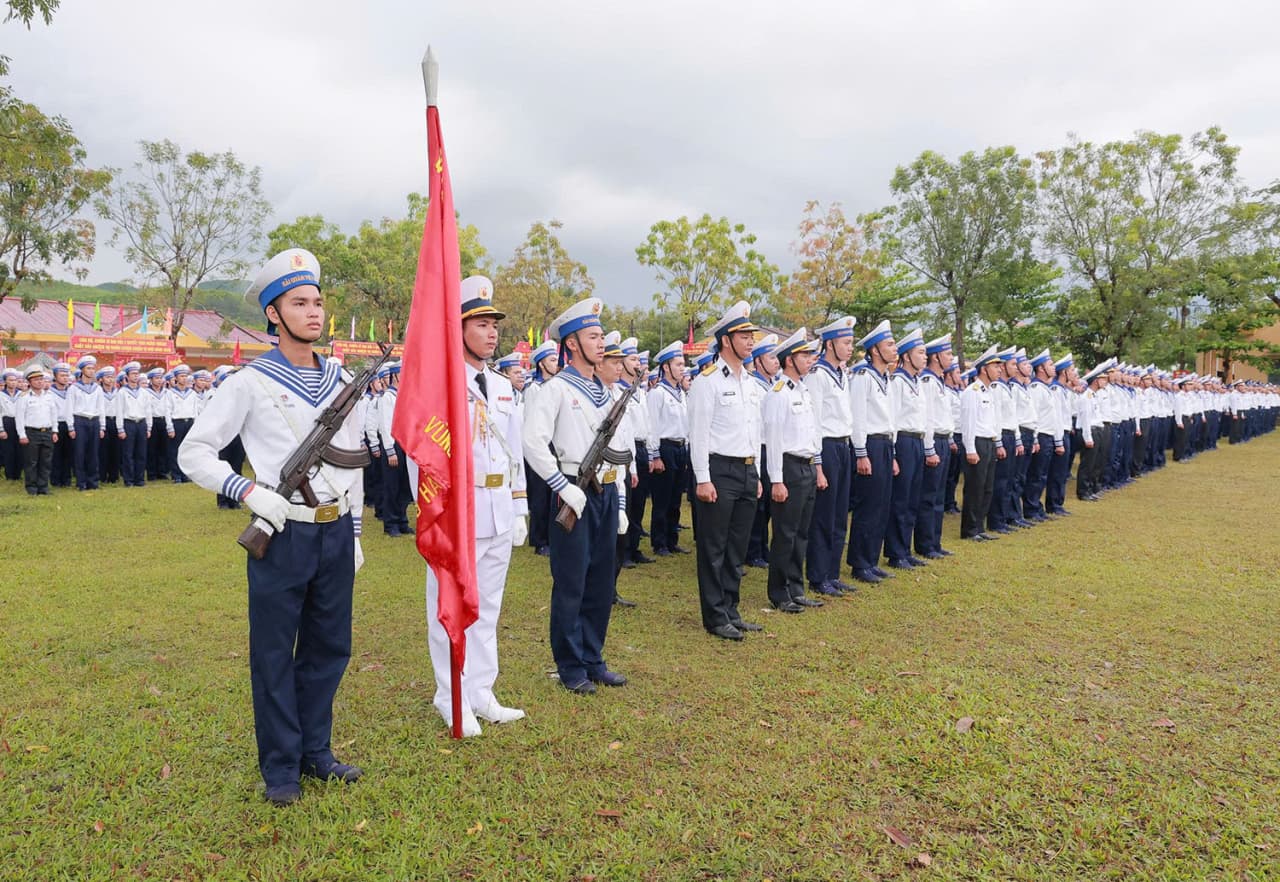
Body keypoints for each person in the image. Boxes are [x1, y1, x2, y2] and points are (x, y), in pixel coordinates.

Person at [178, 248, 366, 807]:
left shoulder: (342, 378)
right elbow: (195, 453)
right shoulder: (249, 382)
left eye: (317, 302)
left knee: (330, 647)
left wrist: (354, 535)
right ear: (274, 315)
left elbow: (354, 455)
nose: (313, 312)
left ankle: (316, 751)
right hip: (281, 533)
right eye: (298, 303)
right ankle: (282, 767)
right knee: (273, 652)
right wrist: (249, 489)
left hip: (333, 532)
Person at [425, 274, 528, 737]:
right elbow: (422, 460)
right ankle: (451, 696)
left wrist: (520, 505)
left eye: (494, 324)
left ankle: (482, 692)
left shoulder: (503, 385)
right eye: (481, 323)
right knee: (450, 610)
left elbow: (514, 449)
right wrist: (434, 513)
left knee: (488, 608)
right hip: (458, 515)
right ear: (459, 327)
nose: (492, 332)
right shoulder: (441, 386)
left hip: (498, 509)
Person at [522, 297, 629, 693]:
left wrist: (616, 500)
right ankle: (569, 665)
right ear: (571, 344)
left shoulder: (604, 391)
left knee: (601, 579)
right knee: (571, 582)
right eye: (592, 336)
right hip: (572, 490)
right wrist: (561, 486)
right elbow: (533, 442)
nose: (601, 344)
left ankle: (593, 657)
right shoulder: (554, 390)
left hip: (604, 490)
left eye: (601, 336)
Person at [687, 301, 764, 641]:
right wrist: (703, 478)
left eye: (751, 335)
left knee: (737, 547)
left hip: (746, 469)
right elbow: (698, 433)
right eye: (743, 335)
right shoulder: (708, 381)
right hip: (719, 470)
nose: (750, 341)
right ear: (725, 340)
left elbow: (754, 431)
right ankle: (715, 616)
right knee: (714, 547)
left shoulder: (750, 381)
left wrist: (758, 473)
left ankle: (732, 608)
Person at [761, 328, 825, 614]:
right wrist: (776, 479)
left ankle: (796, 588)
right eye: (804, 355)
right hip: (787, 467)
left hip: (807, 465)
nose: (810, 359)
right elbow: (773, 440)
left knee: (801, 532)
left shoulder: (804, 390)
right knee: (785, 533)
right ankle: (779, 591)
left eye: (811, 354)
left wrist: (818, 467)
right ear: (789, 360)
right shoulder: (779, 393)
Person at [804, 316, 856, 597]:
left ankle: (832, 573)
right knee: (823, 515)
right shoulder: (818, 375)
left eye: (851, 343)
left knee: (839, 513)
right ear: (831, 343)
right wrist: (819, 466)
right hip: (825, 446)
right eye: (846, 343)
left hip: (843, 445)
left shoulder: (841, 374)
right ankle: (817, 575)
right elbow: (815, 422)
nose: (850, 348)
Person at [847, 320, 899, 582]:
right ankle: (859, 562)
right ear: (875, 350)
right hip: (870, 444)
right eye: (889, 344)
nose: (895, 348)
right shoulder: (863, 377)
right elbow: (858, 417)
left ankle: (872, 558)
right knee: (868, 505)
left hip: (885, 444)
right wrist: (861, 453)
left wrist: (894, 455)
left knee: (882, 504)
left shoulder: (886, 377)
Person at [883, 327, 932, 570]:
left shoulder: (917, 382)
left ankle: (906, 549)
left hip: (917, 440)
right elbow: (892, 419)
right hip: (902, 441)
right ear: (906, 355)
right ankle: (895, 552)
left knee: (913, 497)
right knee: (901, 499)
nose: (925, 357)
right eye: (920, 353)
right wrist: (893, 453)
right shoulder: (898, 382)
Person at [647, 341, 691, 558]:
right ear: (666, 367)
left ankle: (672, 539)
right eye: (678, 364)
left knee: (675, 499)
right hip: (665, 448)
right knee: (662, 498)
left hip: (680, 448)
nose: (682, 368)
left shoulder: (681, 393)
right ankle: (659, 541)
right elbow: (652, 426)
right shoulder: (658, 393)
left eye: (683, 364)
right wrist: (654, 455)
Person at [914, 334, 954, 559]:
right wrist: (929, 448)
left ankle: (935, 542)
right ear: (936, 357)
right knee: (929, 495)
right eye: (948, 354)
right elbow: (927, 417)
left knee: (938, 495)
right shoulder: (928, 381)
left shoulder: (938, 381)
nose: (952, 357)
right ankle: (925, 544)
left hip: (942, 439)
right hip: (932, 440)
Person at [960, 345, 1002, 541]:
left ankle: (979, 527)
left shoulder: (990, 391)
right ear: (984, 368)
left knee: (987, 487)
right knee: (974, 488)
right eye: (996, 367)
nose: (999, 370)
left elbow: (993, 421)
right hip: (976, 442)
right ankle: (969, 530)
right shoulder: (972, 391)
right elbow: (968, 423)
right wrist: (970, 448)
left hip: (989, 442)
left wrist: (997, 442)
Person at [522, 339, 560, 556]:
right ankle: (539, 539)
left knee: (553, 493)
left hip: (555, 445)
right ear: (542, 364)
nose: (556, 364)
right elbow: (532, 421)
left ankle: (551, 535)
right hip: (540, 446)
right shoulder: (534, 389)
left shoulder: (556, 386)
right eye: (552, 360)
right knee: (540, 495)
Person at [745, 334, 780, 569]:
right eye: (771, 357)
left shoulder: (774, 385)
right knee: (758, 504)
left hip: (773, 447)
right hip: (759, 448)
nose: (776, 361)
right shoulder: (752, 385)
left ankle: (763, 548)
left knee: (769, 502)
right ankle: (753, 550)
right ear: (758, 361)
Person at [377, 362, 413, 537]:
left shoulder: (406, 395)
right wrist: (390, 450)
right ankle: (390, 523)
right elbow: (385, 425)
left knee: (405, 485)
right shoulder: (388, 397)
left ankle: (402, 520)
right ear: (396, 375)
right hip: (393, 444)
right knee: (392, 486)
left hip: (407, 444)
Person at [16, 366, 59, 495]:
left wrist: (55, 431)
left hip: (47, 431)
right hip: (32, 432)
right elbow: (19, 418)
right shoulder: (24, 397)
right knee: (31, 462)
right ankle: (32, 488)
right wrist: (22, 435)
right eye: (36, 380)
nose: (40, 382)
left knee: (46, 461)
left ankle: (43, 487)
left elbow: (54, 415)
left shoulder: (49, 396)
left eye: (41, 379)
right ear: (29, 382)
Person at [115, 362, 151, 488]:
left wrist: (149, 427)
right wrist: (120, 428)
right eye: (133, 374)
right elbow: (119, 411)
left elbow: (148, 411)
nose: (136, 376)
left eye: (137, 374)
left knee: (141, 453)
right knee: (128, 454)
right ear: (127, 376)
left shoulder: (144, 392)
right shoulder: (122, 392)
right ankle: (128, 480)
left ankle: (139, 479)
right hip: (128, 423)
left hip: (141, 423)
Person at [166, 365, 198, 483]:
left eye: (186, 376)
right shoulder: (170, 393)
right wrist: (170, 427)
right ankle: (176, 475)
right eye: (181, 376)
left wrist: (196, 425)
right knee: (175, 450)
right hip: (177, 422)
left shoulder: (192, 393)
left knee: (187, 450)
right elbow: (167, 410)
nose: (184, 378)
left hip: (189, 422)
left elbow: (195, 411)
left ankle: (186, 474)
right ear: (176, 378)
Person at [49, 362, 74, 487]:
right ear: (55, 376)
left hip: (70, 424)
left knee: (68, 452)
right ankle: (56, 480)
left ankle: (67, 479)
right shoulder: (49, 392)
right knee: (56, 453)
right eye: (62, 375)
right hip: (56, 424)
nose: (65, 377)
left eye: (67, 375)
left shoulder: (71, 391)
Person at [98, 366, 121, 484]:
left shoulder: (118, 392)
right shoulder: (97, 391)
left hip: (116, 421)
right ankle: (102, 475)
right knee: (103, 450)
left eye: (112, 377)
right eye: (107, 377)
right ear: (101, 379)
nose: (110, 380)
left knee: (115, 449)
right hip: (103, 421)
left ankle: (114, 476)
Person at [0, 368, 22, 481]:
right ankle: (10, 475)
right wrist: (1, 429)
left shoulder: (21, 394)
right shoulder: (1, 395)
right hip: (7, 421)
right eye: (10, 380)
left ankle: (17, 474)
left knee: (19, 448)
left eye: (15, 380)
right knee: (8, 449)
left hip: (19, 422)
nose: (13, 382)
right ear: (5, 382)